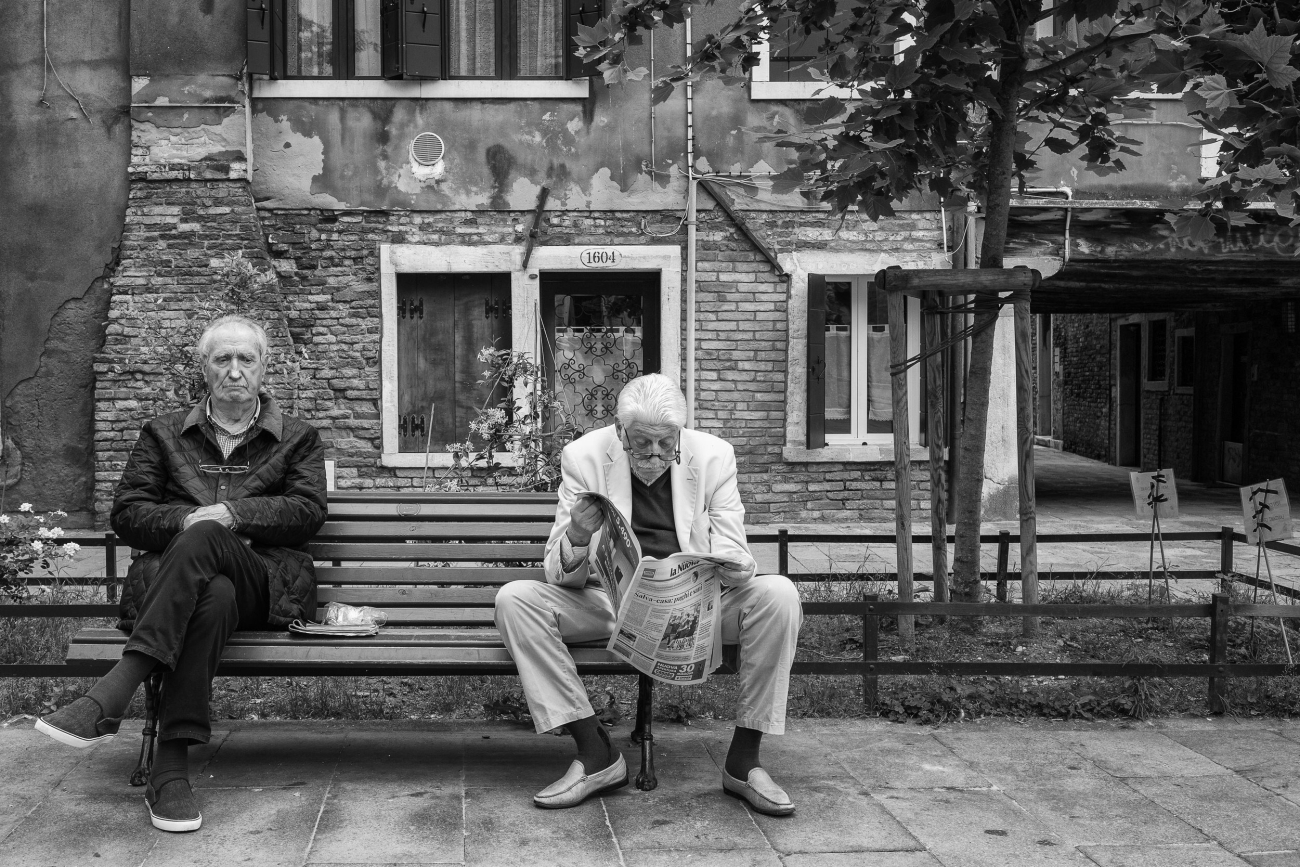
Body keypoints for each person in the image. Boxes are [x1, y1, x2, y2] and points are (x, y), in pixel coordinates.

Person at [37, 314, 327, 833]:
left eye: (246, 359)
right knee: (210, 592)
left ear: (264, 368)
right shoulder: (163, 433)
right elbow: (127, 513)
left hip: (266, 583)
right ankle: (170, 772)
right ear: (204, 367)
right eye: (222, 359)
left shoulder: (299, 439)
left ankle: (112, 692)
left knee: (211, 533)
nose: (234, 371)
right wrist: (186, 520)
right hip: (192, 592)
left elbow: (307, 511)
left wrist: (234, 516)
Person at [494, 373, 803, 815]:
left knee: (780, 594)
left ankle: (743, 761)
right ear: (620, 433)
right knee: (515, 599)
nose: (655, 455)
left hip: (696, 604)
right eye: (642, 444)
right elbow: (558, 576)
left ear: (680, 433)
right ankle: (595, 753)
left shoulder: (715, 457)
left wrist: (730, 564)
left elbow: (735, 548)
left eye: (666, 443)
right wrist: (578, 536)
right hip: (609, 603)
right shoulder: (583, 457)